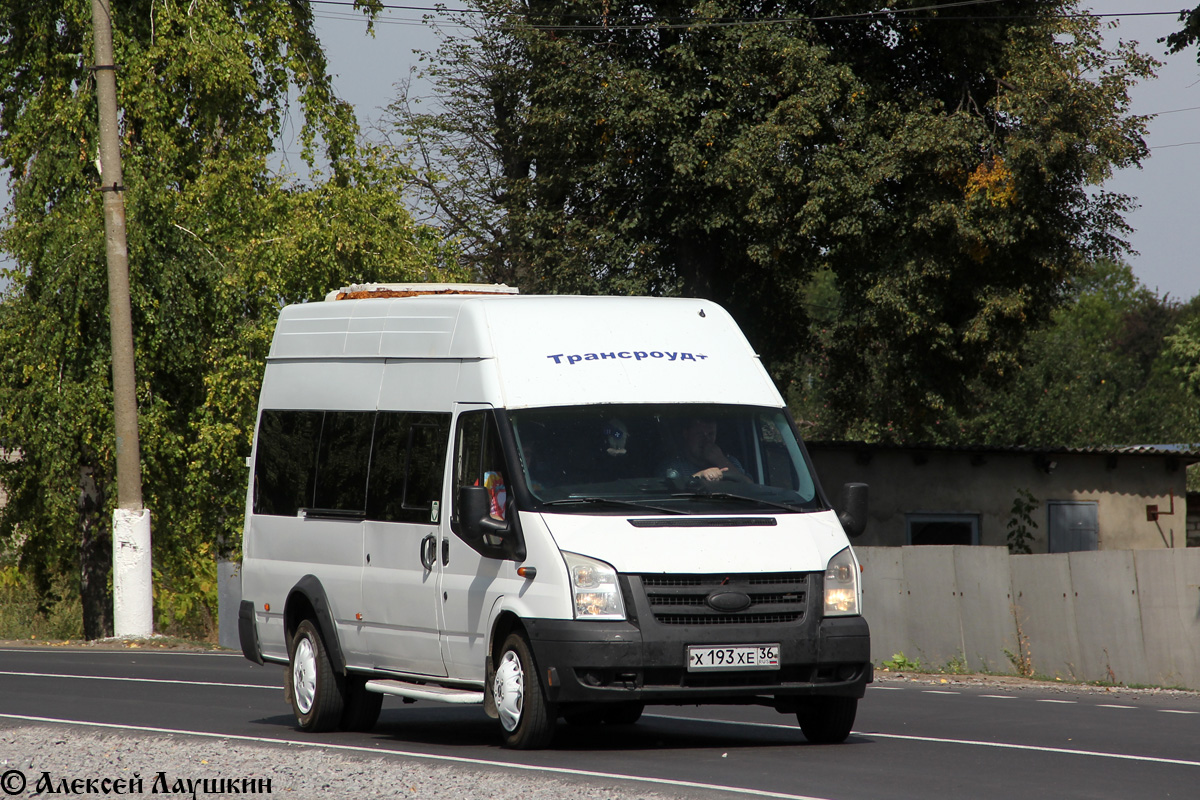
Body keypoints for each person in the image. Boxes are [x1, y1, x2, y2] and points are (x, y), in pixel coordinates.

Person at [665, 418, 752, 483]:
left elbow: (750, 488)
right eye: (699, 434)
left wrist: (721, 461)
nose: (706, 440)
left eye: (711, 434)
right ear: (686, 434)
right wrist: (700, 476)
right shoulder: (673, 466)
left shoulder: (730, 462)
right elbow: (667, 493)